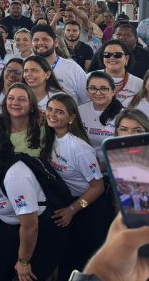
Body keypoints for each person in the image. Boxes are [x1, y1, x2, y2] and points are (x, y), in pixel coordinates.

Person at [0, 119, 65, 281]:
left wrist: (23, 261)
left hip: (40, 230)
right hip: (10, 227)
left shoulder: (15, 175)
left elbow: (30, 226)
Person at [40, 93, 109, 277]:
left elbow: (98, 187)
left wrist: (73, 209)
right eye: (50, 109)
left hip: (89, 207)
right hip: (70, 205)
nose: (52, 114)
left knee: (80, 263)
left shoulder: (79, 148)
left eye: (59, 112)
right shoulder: (51, 136)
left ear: (71, 118)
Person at [30, 24, 88, 104]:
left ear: (56, 42)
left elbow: (86, 100)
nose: (40, 43)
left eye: (45, 39)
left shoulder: (72, 68)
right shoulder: (26, 69)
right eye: (36, 40)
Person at [77, 71, 123, 160]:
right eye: (92, 88)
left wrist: (100, 167)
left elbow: (124, 151)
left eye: (104, 88)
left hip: (111, 167)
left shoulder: (123, 116)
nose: (98, 93)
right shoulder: (79, 111)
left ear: (113, 91)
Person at [0, 83, 42, 157]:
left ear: (31, 105)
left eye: (22, 99)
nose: (15, 103)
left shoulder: (43, 125)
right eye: (11, 98)